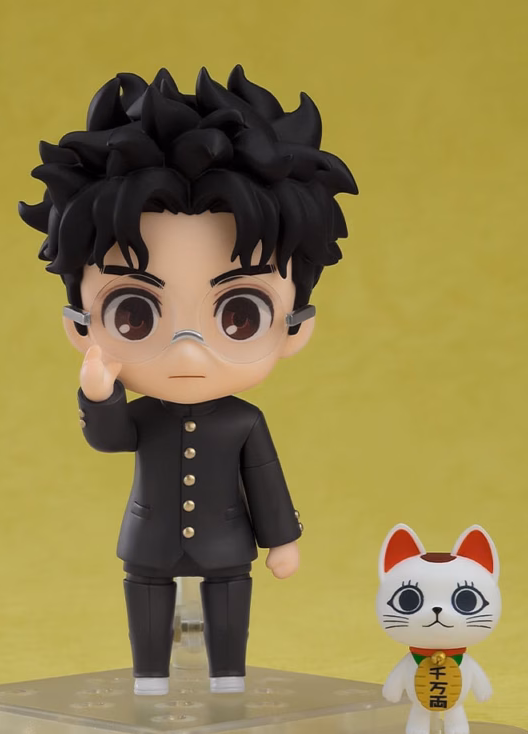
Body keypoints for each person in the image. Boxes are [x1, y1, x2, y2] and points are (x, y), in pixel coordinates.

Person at [19, 64, 357, 695]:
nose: (189, 352)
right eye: (134, 313)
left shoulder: (244, 421)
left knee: (230, 610)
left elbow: (266, 483)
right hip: (148, 544)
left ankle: (229, 680)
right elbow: (111, 439)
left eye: (239, 315)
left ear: (295, 329)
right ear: (80, 326)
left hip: (228, 547)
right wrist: (99, 391)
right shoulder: (143, 414)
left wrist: (281, 541)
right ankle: (150, 680)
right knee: (147, 614)